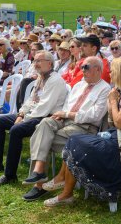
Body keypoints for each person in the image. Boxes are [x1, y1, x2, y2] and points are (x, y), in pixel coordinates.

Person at [42, 58, 121, 206]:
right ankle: (64, 186)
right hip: (116, 137)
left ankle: (65, 190)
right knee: (74, 140)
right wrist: (113, 104)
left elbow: (119, 123)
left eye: (113, 70)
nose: (110, 73)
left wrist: (111, 102)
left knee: (76, 141)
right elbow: (112, 122)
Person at [21, 56, 111, 201]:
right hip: (64, 120)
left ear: (98, 69)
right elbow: (66, 105)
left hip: (84, 127)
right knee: (44, 124)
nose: (83, 70)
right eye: (81, 67)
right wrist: (61, 115)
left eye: (86, 67)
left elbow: (95, 116)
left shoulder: (105, 89)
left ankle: (38, 184)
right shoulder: (78, 85)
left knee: (41, 137)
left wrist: (67, 114)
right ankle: (39, 173)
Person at [0, 51, 68, 187]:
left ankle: (9, 175)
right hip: (32, 114)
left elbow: (44, 107)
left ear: (49, 63)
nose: (36, 64)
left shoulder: (55, 80)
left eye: (39, 61)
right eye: (34, 61)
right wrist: (21, 114)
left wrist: (23, 119)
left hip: (45, 118)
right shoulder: (41, 78)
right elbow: (30, 100)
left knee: (16, 130)